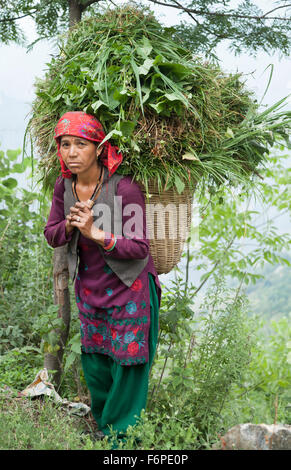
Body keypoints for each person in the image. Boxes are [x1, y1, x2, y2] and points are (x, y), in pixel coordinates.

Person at [44, 111, 161, 445]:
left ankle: (121, 438)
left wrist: (96, 233)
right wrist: (69, 224)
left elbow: (139, 247)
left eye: (80, 144)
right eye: (65, 144)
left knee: (129, 363)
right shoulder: (64, 187)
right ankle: (105, 425)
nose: (71, 152)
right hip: (91, 287)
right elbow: (52, 234)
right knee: (96, 362)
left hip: (130, 288)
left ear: (98, 148)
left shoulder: (125, 188)